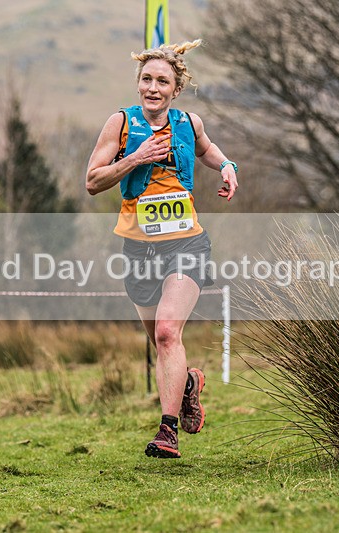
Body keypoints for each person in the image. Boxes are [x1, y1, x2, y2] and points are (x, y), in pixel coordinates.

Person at [85, 39, 238, 458]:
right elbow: (93, 181)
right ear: (139, 84)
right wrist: (134, 158)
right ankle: (187, 383)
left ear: (176, 89)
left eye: (162, 81)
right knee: (159, 341)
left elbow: (207, 151)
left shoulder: (190, 123)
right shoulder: (119, 123)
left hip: (186, 243)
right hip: (138, 249)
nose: (153, 87)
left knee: (170, 332)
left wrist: (226, 166)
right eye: (147, 79)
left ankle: (166, 431)